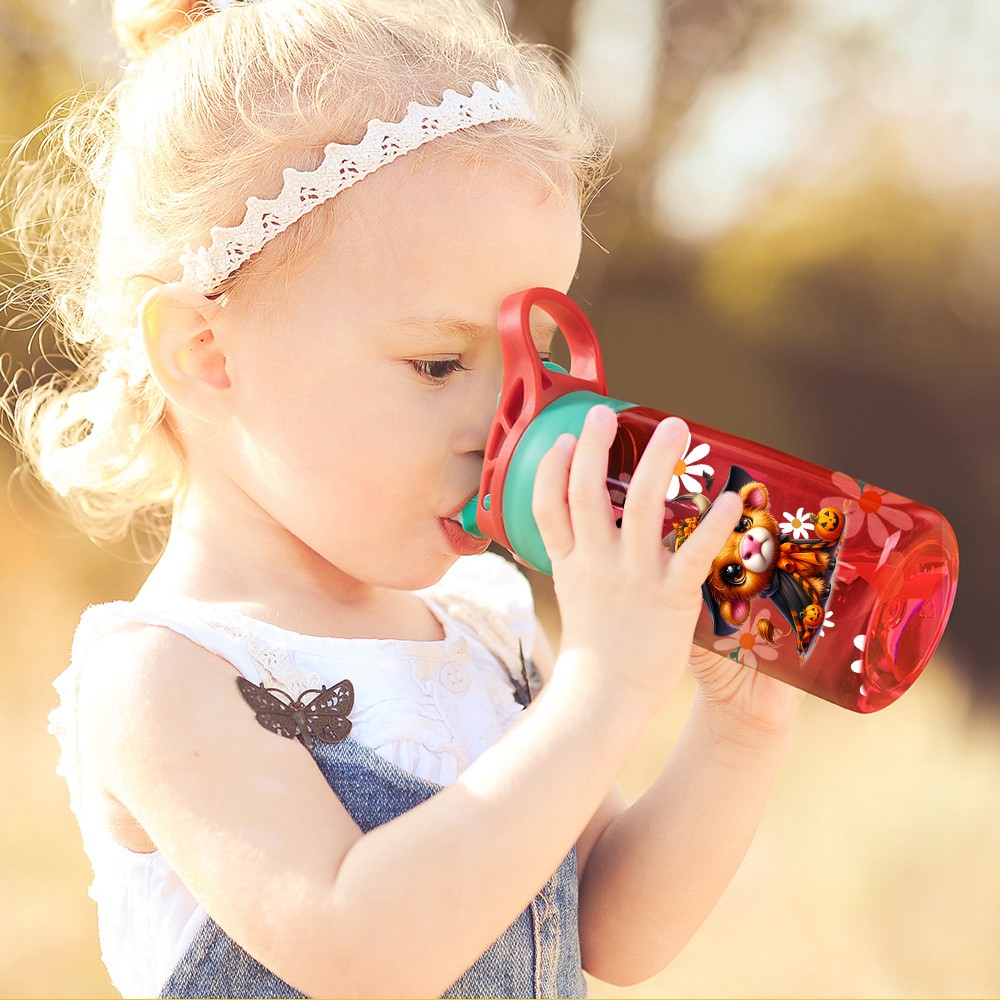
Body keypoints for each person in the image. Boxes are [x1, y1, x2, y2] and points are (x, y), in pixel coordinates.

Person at [4, 1, 803, 996]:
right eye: (436, 363)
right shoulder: (167, 678)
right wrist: (602, 690)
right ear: (207, 355)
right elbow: (360, 949)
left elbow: (608, 931)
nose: (503, 422)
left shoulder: (484, 632)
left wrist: (737, 732)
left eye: (530, 366)